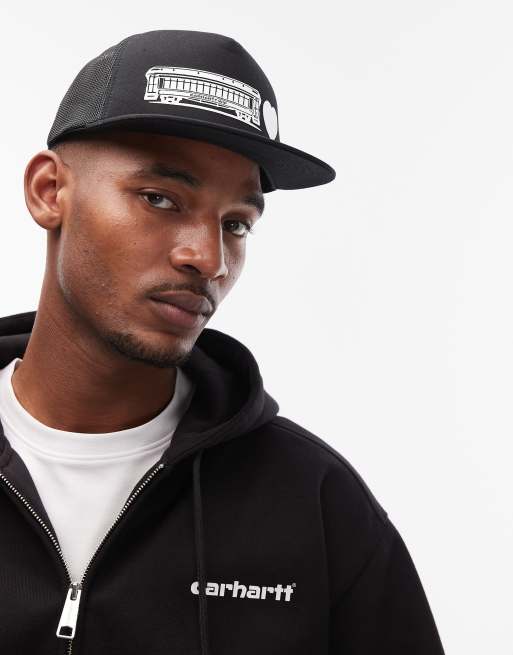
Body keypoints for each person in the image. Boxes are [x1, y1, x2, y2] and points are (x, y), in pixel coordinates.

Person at [0, 29, 445, 654]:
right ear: (50, 192)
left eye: (236, 224)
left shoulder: (314, 502)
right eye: (160, 199)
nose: (207, 259)